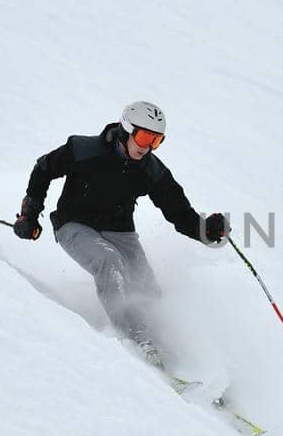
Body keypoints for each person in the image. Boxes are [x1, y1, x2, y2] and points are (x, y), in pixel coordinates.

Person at [13, 100, 229, 366]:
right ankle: (134, 336)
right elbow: (44, 168)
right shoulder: (83, 150)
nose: (148, 146)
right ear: (126, 129)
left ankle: (167, 345)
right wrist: (29, 213)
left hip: (120, 232)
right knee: (109, 262)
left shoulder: (151, 170)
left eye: (156, 140)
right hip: (74, 225)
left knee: (146, 285)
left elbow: (179, 212)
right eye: (144, 136)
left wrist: (205, 230)